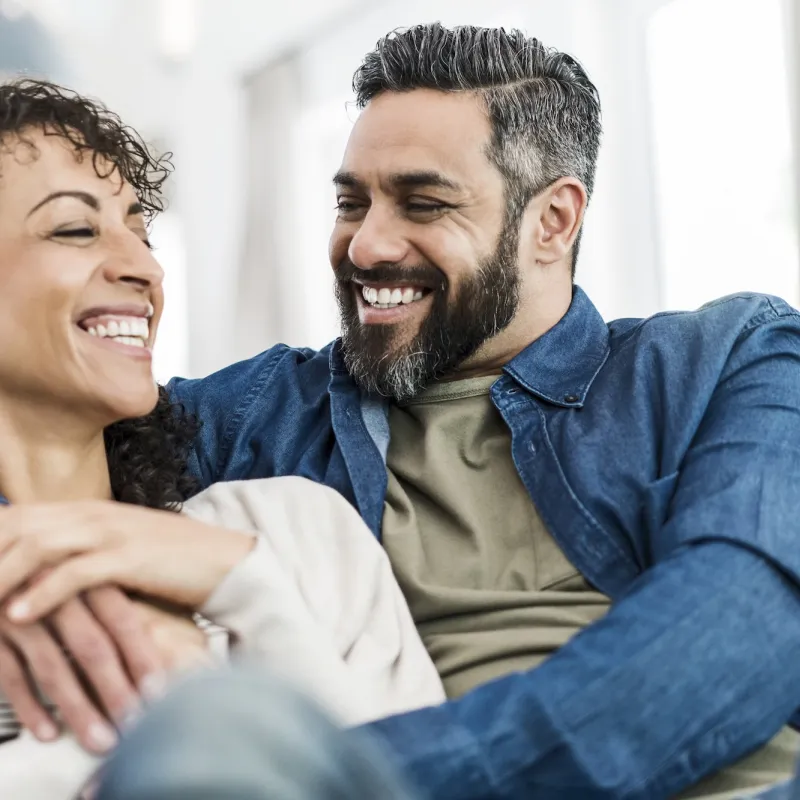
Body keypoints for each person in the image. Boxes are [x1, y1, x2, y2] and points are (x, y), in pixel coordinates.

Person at [3, 22, 800, 800]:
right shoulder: (263, 416)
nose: (366, 246)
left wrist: (340, 776)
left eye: (421, 204)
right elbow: (50, 419)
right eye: (352, 202)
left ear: (552, 221)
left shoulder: (730, 360)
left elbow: (740, 633)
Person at [0, 78, 444, 799]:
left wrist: (246, 588)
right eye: (75, 230)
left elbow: (405, 777)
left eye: (141, 232)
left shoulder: (291, 531)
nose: (142, 267)